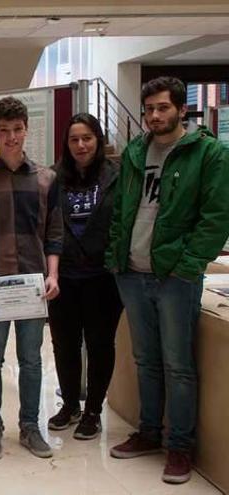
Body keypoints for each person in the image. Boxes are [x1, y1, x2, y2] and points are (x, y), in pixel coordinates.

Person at [105, 76, 229, 484]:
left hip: (175, 277)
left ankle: (180, 447)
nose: (155, 116)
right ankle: (149, 433)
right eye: (149, 109)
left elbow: (216, 218)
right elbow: (123, 208)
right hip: (132, 272)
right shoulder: (138, 150)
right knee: (146, 360)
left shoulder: (208, 154)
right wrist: (116, 256)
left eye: (162, 108)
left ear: (180, 108)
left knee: (178, 365)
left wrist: (189, 263)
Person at [0, 96, 62, 461]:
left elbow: (54, 233)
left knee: (32, 359)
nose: (11, 138)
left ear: (26, 130)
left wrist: (53, 275)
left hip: (34, 284)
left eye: (17, 130)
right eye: (3, 131)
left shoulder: (47, 179)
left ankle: (31, 428)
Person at [46, 113, 123, 440]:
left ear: (98, 141)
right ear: (67, 143)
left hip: (102, 277)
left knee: (100, 343)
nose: (81, 145)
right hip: (62, 276)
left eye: (87, 138)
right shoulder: (53, 178)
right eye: (74, 139)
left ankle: (93, 410)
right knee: (64, 344)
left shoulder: (115, 177)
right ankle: (69, 405)